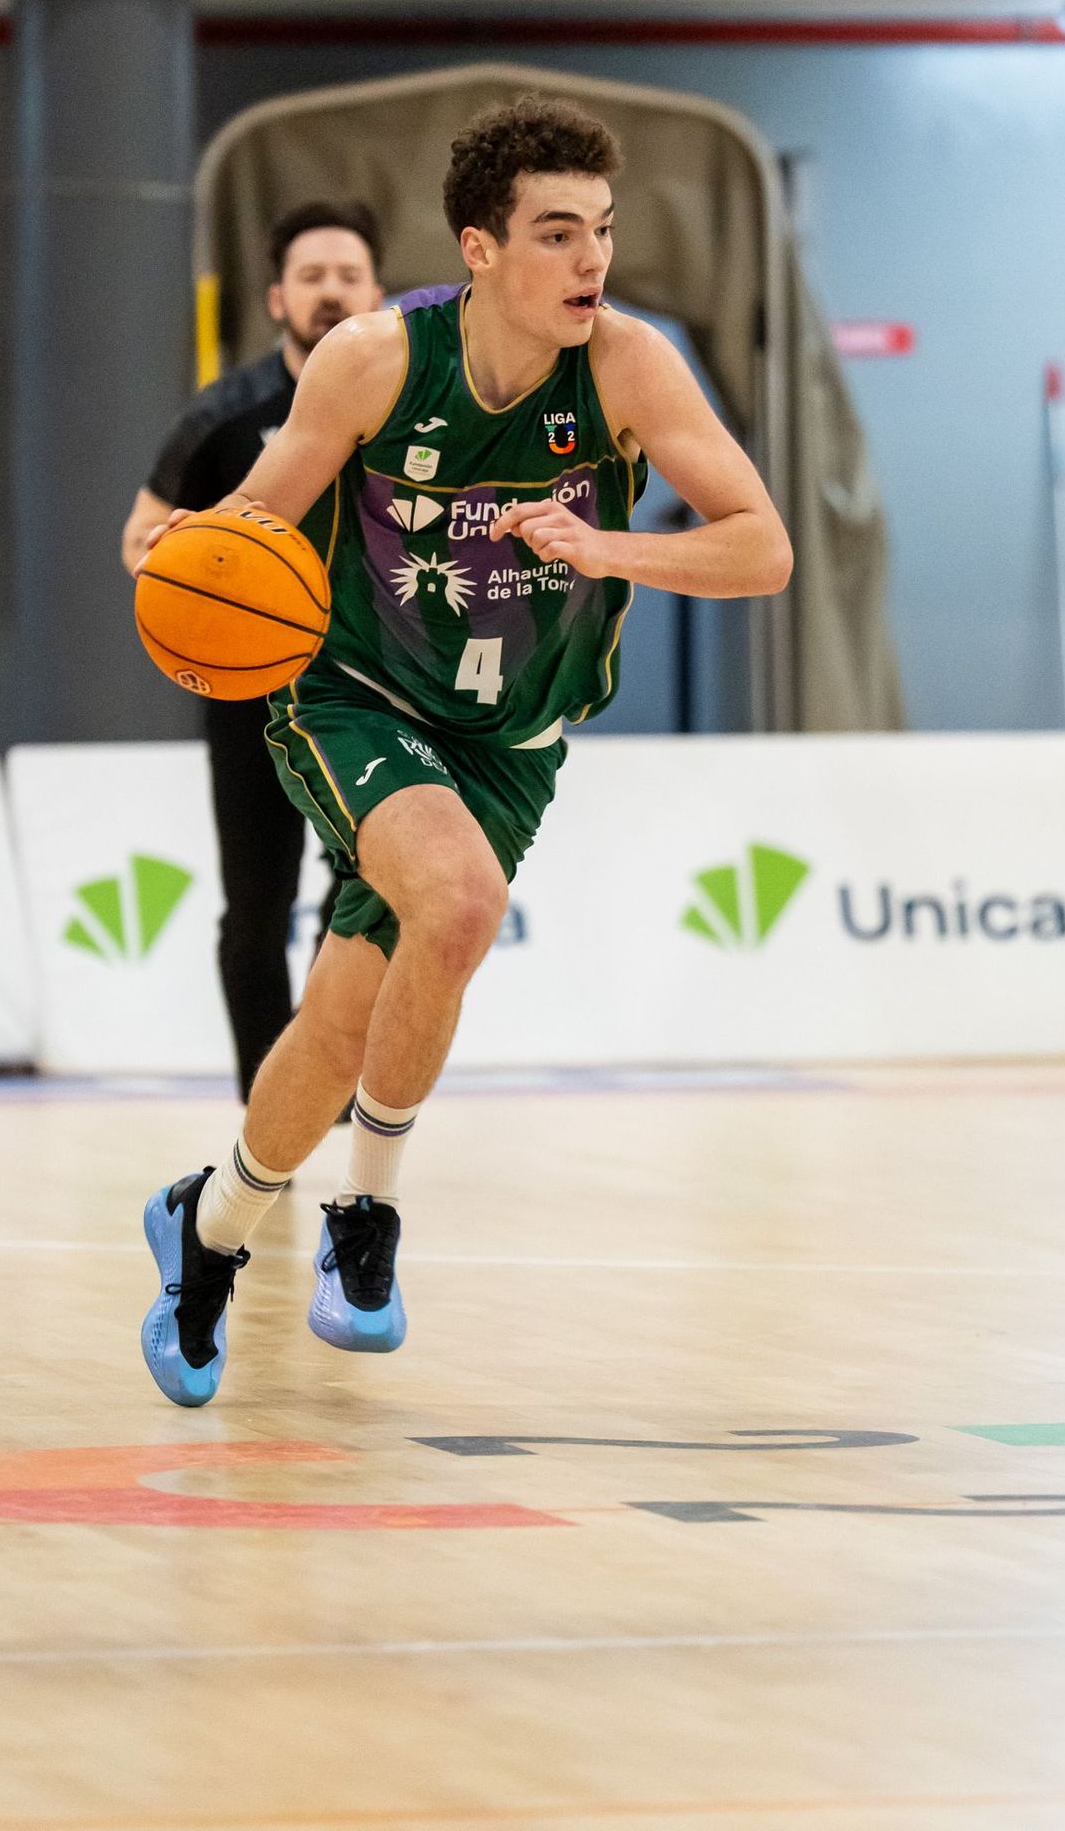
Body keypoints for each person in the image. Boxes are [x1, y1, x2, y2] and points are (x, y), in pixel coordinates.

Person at [136, 94, 793, 1406]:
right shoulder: (373, 360)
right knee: (461, 900)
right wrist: (189, 579)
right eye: (557, 234)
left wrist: (610, 547)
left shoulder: (629, 366)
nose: (591, 261)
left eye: (602, 231)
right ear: (479, 248)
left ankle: (206, 1230)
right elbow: (255, 523)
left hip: (513, 735)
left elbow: (762, 549)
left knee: (335, 1028)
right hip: (360, 697)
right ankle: (365, 1220)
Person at [121, 200, 384, 1102]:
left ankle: (324, 1081)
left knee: (364, 891)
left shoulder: (405, 404)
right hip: (250, 690)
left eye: (348, 275)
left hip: (371, 683)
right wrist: (190, 575)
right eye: (312, 277)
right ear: (277, 297)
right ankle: (262, 1100)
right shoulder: (223, 417)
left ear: (377, 288)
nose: (331, 292)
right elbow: (142, 537)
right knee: (257, 905)